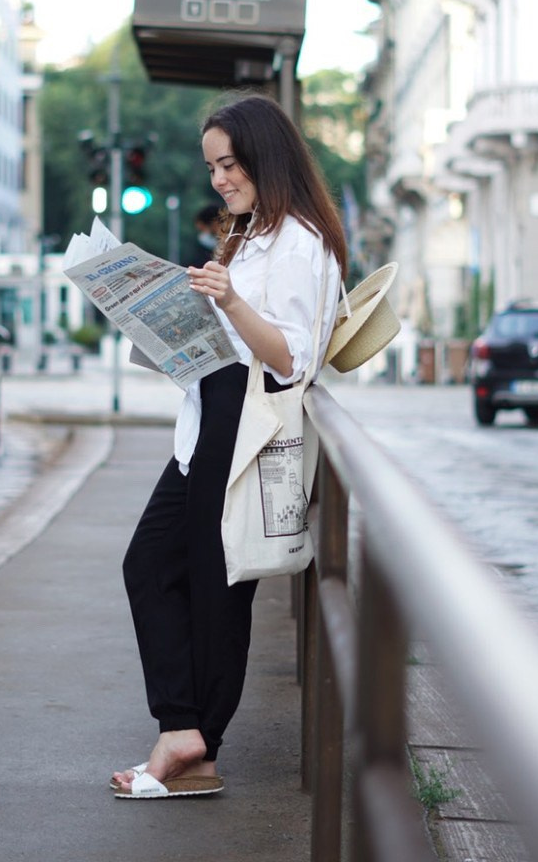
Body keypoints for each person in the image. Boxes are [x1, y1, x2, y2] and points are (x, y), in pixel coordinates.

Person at [113, 93, 346, 799]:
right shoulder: (248, 233)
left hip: (243, 426)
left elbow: (292, 359)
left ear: (264, 157)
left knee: (218, 588)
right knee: (154, 564)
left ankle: (194, 742)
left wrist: (229, 301)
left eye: (229, 164)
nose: (218, 179)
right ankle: (188, 736)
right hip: (211, 419)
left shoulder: (301, 242)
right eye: (212, 166)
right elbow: (235, 344)